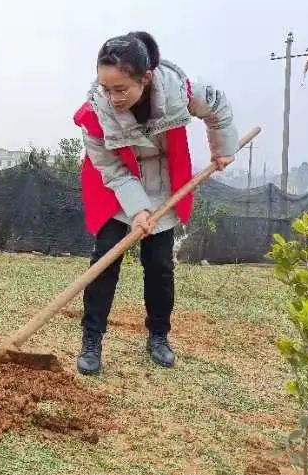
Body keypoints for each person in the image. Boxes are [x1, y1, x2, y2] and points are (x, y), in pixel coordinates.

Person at [72, 32, 238, 375]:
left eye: (122, 89)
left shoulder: (180, 91)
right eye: (106, 88)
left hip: (163, 183)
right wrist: (137, 210)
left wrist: (222, 149)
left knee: (160, 265)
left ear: (145, 79)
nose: (113, 97)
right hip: (116, 185)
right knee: (104, 260)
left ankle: (159, 336)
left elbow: (218, 108)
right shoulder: (95, 114)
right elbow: (112, 170)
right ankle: (92, 340)